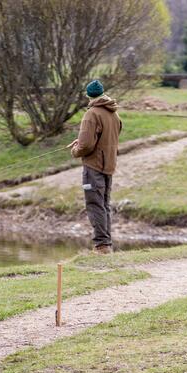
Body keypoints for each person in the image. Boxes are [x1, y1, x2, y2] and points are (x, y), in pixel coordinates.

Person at [68, 79, 122, 254]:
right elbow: (105, 137)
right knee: (104, 204)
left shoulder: (92, 114)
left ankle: (102, 246)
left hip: (94, 166)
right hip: (108, 166)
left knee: (95, 204)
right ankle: (106, 244)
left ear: (88, 95)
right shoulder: (113, 114)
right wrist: (83, 140)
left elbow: (86, 146)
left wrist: (76, 150)